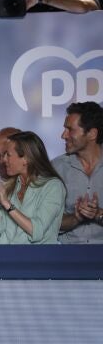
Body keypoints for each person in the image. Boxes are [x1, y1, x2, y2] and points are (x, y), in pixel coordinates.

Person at [0, 131, 65, 244]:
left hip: (37, 259)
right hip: (5, 258)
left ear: (26, 159)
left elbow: (36, 230)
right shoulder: (9, 186)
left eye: (8, 155)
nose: (4, 159)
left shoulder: (53, 187)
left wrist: (7, 205)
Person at [52, 102, 103, 243]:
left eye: (70, 129)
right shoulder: (55, 168)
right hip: (67, 258)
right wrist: (76, 217)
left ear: (92, 134)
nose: (63, 135)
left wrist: (98, 214)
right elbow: (47, 222)